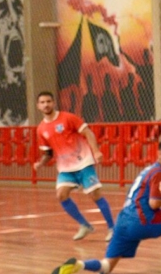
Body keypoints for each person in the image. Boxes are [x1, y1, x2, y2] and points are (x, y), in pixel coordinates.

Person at [49, 138, 161, 274]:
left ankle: (79, 265)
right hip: (140, 221)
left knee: (106, 266)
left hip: (123, 222)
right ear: (159, 154)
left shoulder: (148, 170)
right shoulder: (159, 173)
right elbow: (154, 204)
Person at [32, 91, 115, 241]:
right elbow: (48, 153)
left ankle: (112, 228)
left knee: (95, 195)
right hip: (65, 168)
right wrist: (41, 163)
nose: (46, 104)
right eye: (42, 102)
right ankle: (85, 225)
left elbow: (88, 133)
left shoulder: (68, 118)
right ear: (38, 106)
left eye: (48, 101)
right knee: (61, 195)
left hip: (83, 162)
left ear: (53, 103)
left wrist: (96, 151)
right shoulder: (41, 129)